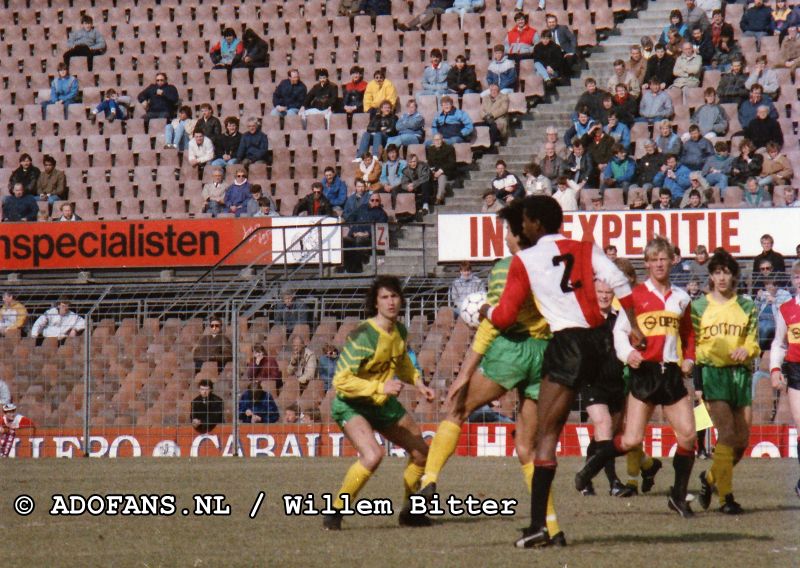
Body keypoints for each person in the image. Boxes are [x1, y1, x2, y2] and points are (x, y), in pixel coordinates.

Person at [482, 195, 643, 548]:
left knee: (546, 436)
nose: (521, 226)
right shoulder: (583, 247)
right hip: (600, 342)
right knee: (609, 423)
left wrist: (482, 309)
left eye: (524, 220)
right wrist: (635, 327)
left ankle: (540, 525)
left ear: (537, 223)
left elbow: (506, 317)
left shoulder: (524, 259)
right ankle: (609, 472)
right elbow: (619, 280)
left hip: (567, 343)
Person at [417, 201, 564, 543]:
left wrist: (464, 373)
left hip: (512, 350)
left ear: (517, 233)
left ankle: (430, 480)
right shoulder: (554, 264)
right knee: (529, 448)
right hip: (548, 354)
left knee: (458, 408)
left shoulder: (506, 267)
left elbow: (496, 323)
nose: (504, 238)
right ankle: (553, 527)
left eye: (505, 232)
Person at [577, 237, 698, 518]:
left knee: (689, 436)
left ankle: (678, 497)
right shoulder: (636, 297)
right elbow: (620, 332)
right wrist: (627, 353)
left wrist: (689, 357)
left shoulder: (681, 297)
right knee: (630, 440)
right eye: (653, 260)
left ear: (672, 261)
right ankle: (591, 468)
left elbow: (688, 334)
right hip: (644, 373)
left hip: (670, 374)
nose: (658, 264)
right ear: (646, 264)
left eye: (663, 259)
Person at [323, 276, 435, 530]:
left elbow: (402, 363)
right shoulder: (363, 335)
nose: (391, 302)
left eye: (394, 296)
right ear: (375, 303)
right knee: (373, 455)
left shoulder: (399, 331)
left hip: (381, 403)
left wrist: (418, 383)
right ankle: (336, 512)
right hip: (351, 404)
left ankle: (411, 513)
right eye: (384, 297)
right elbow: (341, 381)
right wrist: (380, 386)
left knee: (421, 453)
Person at [694, 248, 760, 515]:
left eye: (727, 272)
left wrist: (747, 349)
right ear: (710, 276)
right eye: (717, 272)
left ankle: (709, 478)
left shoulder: (746, 306)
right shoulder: (699, 307)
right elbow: (692, 345)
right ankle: (726, 498)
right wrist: (697, 381)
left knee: (742, 441)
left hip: (740, 376)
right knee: (727, 435)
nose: (722, 278)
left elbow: (753, 341)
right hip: (713, 374)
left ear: (733, 276)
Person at [577, 279, 628, 497]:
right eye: (600, 291)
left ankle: (585, 478)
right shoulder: (585, 318)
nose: (604, 296)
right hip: (592, 383)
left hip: (616, 383)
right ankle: (614, 483)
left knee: (605, 436)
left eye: (608, 292)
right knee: (604, 425)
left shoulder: (620, 319)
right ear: (593, 292)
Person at [768, 260, 800, 498]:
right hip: (797, 370)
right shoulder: (786, 309)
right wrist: (775, 369)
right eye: (797, 276)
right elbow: (779, 343)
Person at [342, 192, 389, 273]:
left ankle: (359, 267)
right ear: (369, 201)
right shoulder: (362, 207)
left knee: (359, 241)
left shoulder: (382, 214)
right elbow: (350, 218)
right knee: (344, 241)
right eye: (372, 200)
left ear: (380, 202)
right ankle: (347, 267)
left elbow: (380, 229)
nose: (374, 202)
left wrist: (366, 234)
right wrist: (354, 232)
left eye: (377, 200)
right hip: (354, 234)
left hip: (369, 238)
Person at [426, 133, 457, 205]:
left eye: (438, 139)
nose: (437, 141)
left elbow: (452, 163)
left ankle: (439, 198)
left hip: (446, 171)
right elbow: (430, 163)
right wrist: (433, 171)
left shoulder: (449, 148)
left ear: (442, 140)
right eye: (435, 140)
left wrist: (440, 171)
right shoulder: (430, 149)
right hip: (434, 171)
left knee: (442, 177)